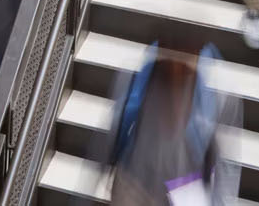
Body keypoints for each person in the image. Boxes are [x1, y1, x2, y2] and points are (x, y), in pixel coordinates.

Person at [98, 31, 240, 206]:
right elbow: (118, 125)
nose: (175, 64)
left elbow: (226, 161)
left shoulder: (218, 88)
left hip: (185, 191)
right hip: (134, 182)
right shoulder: (142, 71)